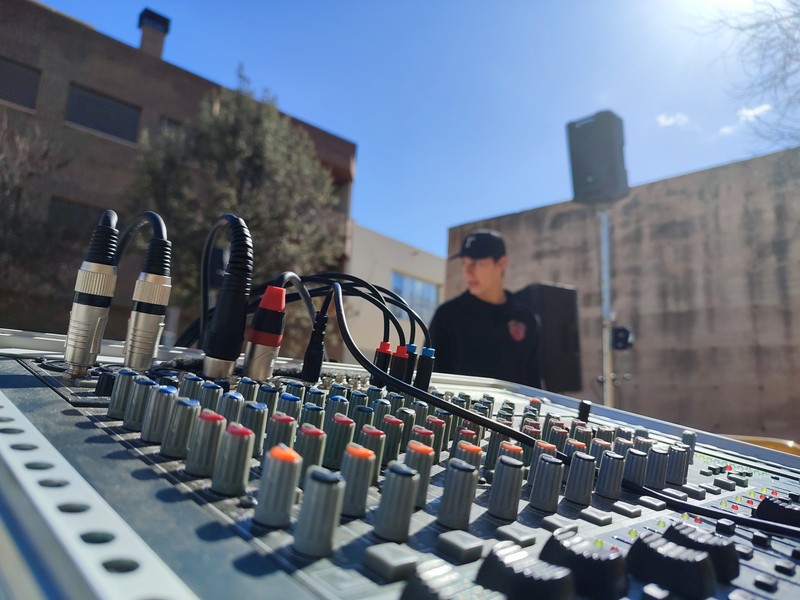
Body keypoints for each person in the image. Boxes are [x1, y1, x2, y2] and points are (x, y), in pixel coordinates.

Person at [429, 229, 541, 387]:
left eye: (476, 263)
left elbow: (534, 381)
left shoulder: (526, 316)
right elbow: (431, 379)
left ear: (501, 263)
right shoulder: (447, 315)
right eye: (464, 263)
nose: (468, 272)